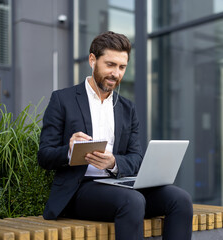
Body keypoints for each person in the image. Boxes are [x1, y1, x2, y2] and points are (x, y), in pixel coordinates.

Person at [37, 31, 193, 240]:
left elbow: (136, 157)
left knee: (180, 199)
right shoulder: (63, 100)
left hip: (120, 184)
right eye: (110, 65)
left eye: (122, 67)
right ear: (92, 60)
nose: (116, 73)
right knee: (132, 201)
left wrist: (113, 162)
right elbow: (44, 156)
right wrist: (69, 150)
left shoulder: (127, 108)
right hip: (80, 189)